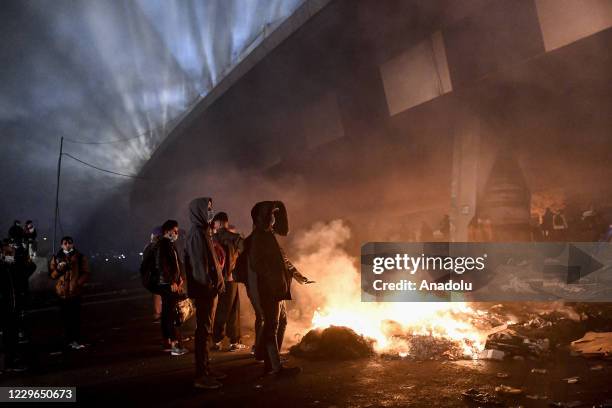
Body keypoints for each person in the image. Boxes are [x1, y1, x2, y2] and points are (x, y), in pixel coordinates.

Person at [248, 201, 310, 377]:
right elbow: (257, 264)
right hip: (270, 291)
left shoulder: (269, 236)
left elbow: (284, 261)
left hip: (278, 289)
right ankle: (275, 367)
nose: (274, 218)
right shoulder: (259, 238)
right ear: (263, 218)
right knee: (272, 326)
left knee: (280, 323)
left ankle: (269, 361)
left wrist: (297, 276)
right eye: (271, 215)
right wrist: (272, 281)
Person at [184, 197, 227, 389]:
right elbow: (200, 266)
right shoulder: (196, 234)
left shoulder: (204, 232)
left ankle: (207, 369)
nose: (211, 212)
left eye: (211, 208)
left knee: (206, 332)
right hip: (205, 292)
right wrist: (210, 287)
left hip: (209, 290)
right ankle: (201, 375)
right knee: (203, 333)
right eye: (208, 209)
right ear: (199, 211)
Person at [211, 212, 245, 352]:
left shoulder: (212, 238)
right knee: (229, 309)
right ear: (225, 222)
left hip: (217, 278)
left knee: (228, 307)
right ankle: (219, 339)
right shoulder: (233, 237)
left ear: (218, 223)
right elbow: (245, 251)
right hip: (230, 278)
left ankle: (233, 340)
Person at [1, 239, 35, 371]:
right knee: (8, 337)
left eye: (12, 252)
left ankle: (12, 361)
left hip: (14, 307)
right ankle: (9, 363)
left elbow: (30, 268)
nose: (10, 255)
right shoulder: (3, 268)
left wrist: (23, 256)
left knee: (13, 336)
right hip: (4, 309)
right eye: (7, 252)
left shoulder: (14, 268)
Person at [49, 236, 89, 350]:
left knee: (75, 318)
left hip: (75, 292)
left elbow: (86, 272)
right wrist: (59, 269)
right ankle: (67, 340)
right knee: (65, 318)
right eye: (65, 243)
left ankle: (75, 340)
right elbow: (52, 275)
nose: (67, 245)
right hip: (62, 293)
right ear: (61, 245)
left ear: (73, 244)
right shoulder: (56, 257)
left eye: (70, 243)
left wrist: (77, 283)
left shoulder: (80, 256)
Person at [156, 220, 187, 356]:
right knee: (171, 314)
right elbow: (163, 265)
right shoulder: (163, 244)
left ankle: (168, 342)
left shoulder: (170, 244)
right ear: (166, 231)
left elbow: (175, 264)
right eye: (174, 231)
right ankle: (175, 345)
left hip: (170, 284)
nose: (176, 233)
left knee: (167, 314)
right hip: (168, 285)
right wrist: (171, 282)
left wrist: (179, 277)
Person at [143, 226, 163, 322]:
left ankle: (158, 313)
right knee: (158, 295)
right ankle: (158, 313)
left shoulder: (148, 247)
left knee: (156, 295)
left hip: (152, 277)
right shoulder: (155, 247)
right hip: (156, 276)